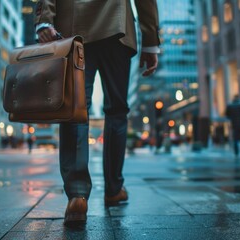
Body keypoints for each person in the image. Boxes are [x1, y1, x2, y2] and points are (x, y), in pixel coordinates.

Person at [35, 0, 159, 227]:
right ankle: (113, 190)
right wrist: (150, 41)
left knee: (76, 109)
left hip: (74, 25)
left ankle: (77, 197)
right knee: (117, 111)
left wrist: (44, 21)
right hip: (117, 26)